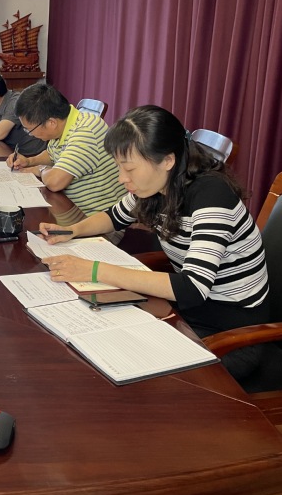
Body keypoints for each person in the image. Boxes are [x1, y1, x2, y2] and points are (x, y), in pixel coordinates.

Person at [37, 105, 269, 380]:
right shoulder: (157, 186)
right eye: (119, 167)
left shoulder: (212, 195)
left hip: (231, 333)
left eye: (129, 168)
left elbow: (193, 288)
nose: (122, 178)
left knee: (127, 372)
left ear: (167, 160)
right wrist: (71, 230)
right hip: (186, 315)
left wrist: (94, 270)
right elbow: (114, 217)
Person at [8, 83, 124, 223]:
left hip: (99, 221)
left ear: (51, 123)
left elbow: (54, 182)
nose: (30, 134)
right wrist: (29, 161)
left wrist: (40, 169)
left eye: (29, 130)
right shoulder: (66, 123)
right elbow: (53, 154)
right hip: (72, 209)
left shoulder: (85, 132)